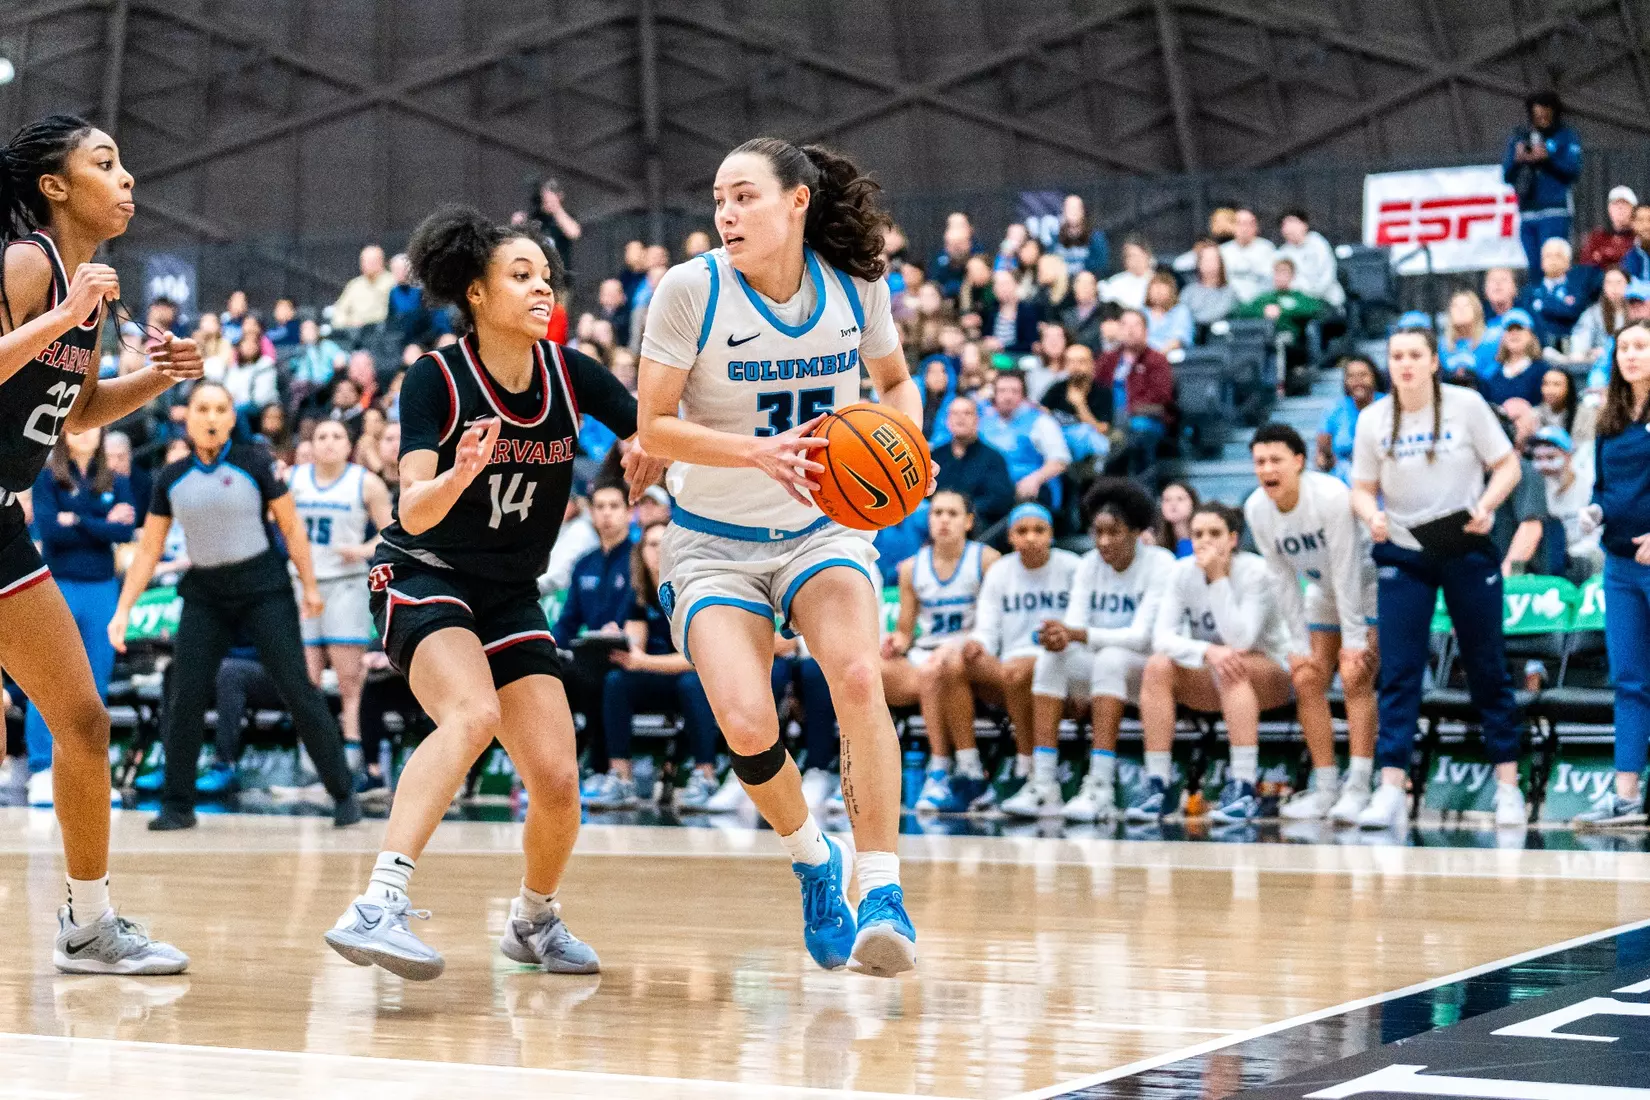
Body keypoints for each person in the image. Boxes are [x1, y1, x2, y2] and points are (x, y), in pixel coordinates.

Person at [322, 206, 662, 981]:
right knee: (472, 713)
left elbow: (654, 430)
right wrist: (460, 474)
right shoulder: (435, 378)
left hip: (509, 593)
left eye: (546, 277)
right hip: (421, 571)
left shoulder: (571, 373)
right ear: (475, 293)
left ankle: (534, 920)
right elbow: (413, 508)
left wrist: (647, 446)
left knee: (557, 778)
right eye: (521, 276)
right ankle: (378, 901)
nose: (542, 289)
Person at [634, 137, 924, 976]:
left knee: (860, 676)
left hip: (821, 531)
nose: (726, 213)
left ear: (797, 201)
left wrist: (909, 437)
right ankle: (811, 858)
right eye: (718, 199)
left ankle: (883, 891)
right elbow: (654, 427)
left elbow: (896, 382)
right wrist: (753, 452)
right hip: (713, 540)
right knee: (747, 720)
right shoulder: (689, 291)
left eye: (745, 196)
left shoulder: (854, 287)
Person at [0, 113, 201, 974]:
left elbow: (77, 418)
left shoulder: (86, 287)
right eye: (105, 163)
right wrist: (68, 313)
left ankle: (88, 924)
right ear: (55, 186)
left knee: (82, 720)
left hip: (4, 521)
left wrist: (156, 378)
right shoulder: (30, 264)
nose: (126, 178)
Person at [109, 381, 358, 830]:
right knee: (184, 693)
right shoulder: (171, 477)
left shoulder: (256, 462)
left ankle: (343, 793)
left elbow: (293, 528)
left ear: (229, 418)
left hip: (264, 589)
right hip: (205, 593)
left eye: (219, 409)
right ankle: (178, 805)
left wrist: (311, 586)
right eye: (202, 408)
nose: (209, 417)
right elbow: (148, 550)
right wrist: (124, 609)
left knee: (298, 688)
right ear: (188, 417)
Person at [1349, 325, 1526, 830]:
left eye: (1414, 354)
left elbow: (1508, 465)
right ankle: (1389, 789)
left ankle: (1509, 785)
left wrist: (1487, 506)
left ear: (1432, 361)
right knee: (1400, 670)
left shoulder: (1467, 405)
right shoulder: (1371, 420)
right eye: (1396, 355)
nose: (1404, 363)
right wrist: (1371, 515)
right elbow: (1360, 489)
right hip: (1404, 551)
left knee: (1487, 665)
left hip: (1465, 544)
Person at [1010, 479, 1173, 821]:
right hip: (1102, 669)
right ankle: (1042, 782)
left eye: (1114, 532)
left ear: (1136, 531)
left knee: (1110, 660)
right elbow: (1074, 627)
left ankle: (1100, 786)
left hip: (1148, 672)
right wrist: (1057, 637)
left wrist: (1078, 634)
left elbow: (1144, 637)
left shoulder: (1161, 564)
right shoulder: (1088, 565)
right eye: (1097, 532)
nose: (1103, 542)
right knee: (1052, 658)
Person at [1128, 502, 1293, 824]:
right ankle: (1157, 784)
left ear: (1233, 539)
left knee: (1234, 661)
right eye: (1198, 534)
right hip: (1217, 672)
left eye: (1215, 533)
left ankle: (1244, 786)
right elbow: (1161, 637)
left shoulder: (1255, 572)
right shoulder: (1182, 572)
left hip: (1270, 674)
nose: (1205, 541)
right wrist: (1205, 651)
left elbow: (1241, 639)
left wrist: (1217, 578)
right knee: (1158, 666)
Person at [1245, 424, 1379, 823]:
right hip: (1321, 589)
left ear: (1299, 462)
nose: (1267, 469)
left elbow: (1347, 568)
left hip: (1368, 583)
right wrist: (1297, 647)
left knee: (1356, 675)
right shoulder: (1256, 508)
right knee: (1305, 679)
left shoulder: (1331, 496)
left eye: (1276, 460)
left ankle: (1359, 787)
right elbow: (1282, 579)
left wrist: (1353, 640)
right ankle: (1325, 788)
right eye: (1259, 462)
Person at [22, 426, 135, 807]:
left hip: (103, 588)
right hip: (57, 588)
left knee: (95, 683)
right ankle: (41, 769)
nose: (86, 433)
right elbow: (52, 530)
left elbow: (126, 529)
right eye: (77, 427)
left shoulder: (116, 479)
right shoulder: (45, 475)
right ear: (64, 433)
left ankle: (91, 771)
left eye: (93, 427)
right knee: (47, 681)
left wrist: (80, 520)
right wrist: (100, 521)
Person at [1572, 320, 1650, 825]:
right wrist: (1594, 512)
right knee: (1629, 681)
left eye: (1642, 346)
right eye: (1624, 347)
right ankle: (1626, 797)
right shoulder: (1610, 418)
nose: (1632, 354)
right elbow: (1603, 488)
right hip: (1620, 567)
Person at [882, 490, 997, 814]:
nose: (943, 520)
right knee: (868, 669)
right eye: (937, 513)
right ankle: (857, 769)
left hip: (973, 653)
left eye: (952, 513)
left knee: (938, 666)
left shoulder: (987, 559)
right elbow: (906, 630)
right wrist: (897, 642)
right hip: (929, 653)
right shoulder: (910, 568)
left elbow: (994, 622)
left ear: (969, 521)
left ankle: (941, 769)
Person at [289, 418, 394, 772]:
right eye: (321, 435)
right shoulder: (293, 480)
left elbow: (393, 534)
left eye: (336, 436)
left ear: (349, 446)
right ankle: (310, 762)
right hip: (304, 586)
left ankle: (350, 762)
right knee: (307, 681)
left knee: (351, 681)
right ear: (311, 445)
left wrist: (363, 550)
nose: (329, 442)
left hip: (347, 584)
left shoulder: (366, 483)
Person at [961, 503, 1081, 807]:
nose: (1030, 537)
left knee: (1017, 673)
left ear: (1051, 535)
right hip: (1012, 660)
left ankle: (1027, 764)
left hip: (1064, 656)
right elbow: (987, 627)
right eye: (1022, 531)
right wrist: (977, 642)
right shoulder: (1001, 571)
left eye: (1039, 530)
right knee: (950, 665)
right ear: (1011, 537)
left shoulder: (1072, 566)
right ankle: (962, 768)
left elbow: (1081, 623)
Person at [601, 519, 721, 811]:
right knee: (616, 682)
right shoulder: (639, 593)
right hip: (657, 676)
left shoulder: (693, 589)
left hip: (695, 676)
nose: (659, 551)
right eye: (652, 545)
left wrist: (643, 661)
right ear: (641, 551)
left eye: (665, 543)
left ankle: (705, 776)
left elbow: (698, 660)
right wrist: (616, 640)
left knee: (692, 684)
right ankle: (621, 777)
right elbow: (634, 648)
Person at [552, 484, 635, 795]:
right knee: (546, 676)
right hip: (585, 655)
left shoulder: (638, 558)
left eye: (614, 506)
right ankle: (553, 769)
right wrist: (548, 649)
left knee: (604, 682)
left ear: (629, 512)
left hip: (623, 657)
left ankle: (599, 768)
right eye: (599, 506)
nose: (606, 513)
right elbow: (568, 621)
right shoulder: (584, 562)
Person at [1502, 90, 1583, 275]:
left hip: (1555, 210)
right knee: (1534, 267)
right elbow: (1506, 175)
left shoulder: (1565, 136)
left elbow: (1573, 170)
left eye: (1546, 115)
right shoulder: (1520, 137)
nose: (1541, 119)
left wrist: (1547, 159)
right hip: (1527, 212)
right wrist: (1518, 159)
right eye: (1537, 115)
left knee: (1556, 263)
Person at [1095, 310, 1173, 478]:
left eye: (1136, 325)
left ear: (1146, 331)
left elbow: (1162, 395)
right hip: (1109, 420)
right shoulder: (1107, 360)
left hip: (1143, 418)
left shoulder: (1157, 360)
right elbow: (1095, 390)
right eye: (1125, 325)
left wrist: (1130, 410)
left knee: (1137, 433)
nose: (1130, 330)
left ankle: (1140, 489)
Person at [976, 367, 1070, 507]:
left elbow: (1060, 461)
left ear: (1024, 396)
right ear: (994, 395)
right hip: (991, 490)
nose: (1008, 397)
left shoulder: (1040, 421)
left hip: (1029, 491)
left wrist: (1035, 479)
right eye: (1002, 391)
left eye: (1015, 391)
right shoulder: (983, 422)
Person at [1528, 425, 1601, 583]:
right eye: (1538, 459)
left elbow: (1596, 534)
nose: (1544, 466)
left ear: (1568, 456)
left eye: (1551, 457)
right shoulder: (1535, 488)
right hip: (1547, 560)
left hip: (1584, 557)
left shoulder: (1588, 485)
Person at [932, 396, 1014, 534]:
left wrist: (961, 511)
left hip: (976, 524)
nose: (960, 418)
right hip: (936, 520)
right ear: (947, 420)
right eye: (955, 413)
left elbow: (1000, 500)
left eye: (967, 413)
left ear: (977, 419)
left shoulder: (994, 458)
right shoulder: (935, 456)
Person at [1316, 355, 1384, 484]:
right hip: (1343, 483)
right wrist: (1326, 460)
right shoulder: (1334, 410)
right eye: (1351, 376)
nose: (1357, 381)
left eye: (1363, 375)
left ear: (1374, 377)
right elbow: (1321, 457)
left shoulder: (1388, 405)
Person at [1517, 237, 1588, 348]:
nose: (1553, 260)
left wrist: (1542, 304)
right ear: (1541, 261)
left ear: (1568, 262)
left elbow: (1571, 312)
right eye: (1548, 256)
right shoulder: (1529, 291)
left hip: (1568, 348)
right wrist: (1558, 307)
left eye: (1558, 256)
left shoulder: (1577, 289)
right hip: (1536, 349)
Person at [1275, 209, 1344, 308]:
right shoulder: (1282, 253)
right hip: (1299, 303)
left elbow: (1327, 274)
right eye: (1284, 225)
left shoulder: (1317, 243)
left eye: (1292, 222)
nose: (1288, 228)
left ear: (1304, 224)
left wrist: (1312, 294)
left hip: (1327, 300)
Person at [330, 244, 395, 339]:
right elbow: (339, 311)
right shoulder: (354, 285)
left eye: (371, 261)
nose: (366, 264)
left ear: (381, 261)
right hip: (355, 334)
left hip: (382, 334)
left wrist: (368, 323)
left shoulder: (392, 282)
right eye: (364, 261)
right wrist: (348, 322)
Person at [1219, 208, 1277, 305]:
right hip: (1229, 304)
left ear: (1256, 227)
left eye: (1248, 224)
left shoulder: (1267, 249)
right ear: (1233, 227)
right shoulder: (1223, 251)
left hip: (1260, 303)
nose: (1244, 228)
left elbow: (1272, 281)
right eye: (1239, 223)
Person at [981, 267, 1041, 354]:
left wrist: (1002, 347)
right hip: (992, 357)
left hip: (1018, 358)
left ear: (1016, 285)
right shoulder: (989, 310)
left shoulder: (1027, 311)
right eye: (997, 285)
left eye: (1005, 284)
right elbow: (984, 336)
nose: (1001, 288)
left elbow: (1030, 345)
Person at [1581, 186, 1638, 270]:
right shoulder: (1597, 236)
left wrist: (1605, 254)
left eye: (1625, 204)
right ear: (1609, 209)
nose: (1620, 208)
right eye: (1615, 204)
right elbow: (1586, 265)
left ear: (1634, 209)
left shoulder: (1639, 236)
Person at [1182, 242, 1236, 330]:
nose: (1210, 264)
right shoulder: (1188, 291)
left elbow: (1218, 314)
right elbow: (1181, 316)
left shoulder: (1229, 292)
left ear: (1221, 263)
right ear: (1199, 263)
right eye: (1206, 260)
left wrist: (1195, 321)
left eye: (1214, 260)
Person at [1052, 194, 1109, 276]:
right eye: (1069, 208)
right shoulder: (1055, 237)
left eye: (1076, 208)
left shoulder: (1096, 237)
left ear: (1083, 211)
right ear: (1063, 211)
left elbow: (1101, 265)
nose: (1073, 212)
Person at [1441, 290, 1487, 383]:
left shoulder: (1490, 340)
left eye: (1466, 306)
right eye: (1455, 306)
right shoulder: (1443, 344)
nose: (1460, 310)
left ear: (1476, 310)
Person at [1143, 271, 1193, 353]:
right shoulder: (1141, 312)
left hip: (1171, 355)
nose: (1158, 292)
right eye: (1155, 288)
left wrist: (1158, 356)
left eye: (1162, 288)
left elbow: (1179, 339)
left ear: (1171, 292)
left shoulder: (1181, 311)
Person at [1100, 237, 1154, 311]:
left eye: (1138, 255)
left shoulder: (1157, 281)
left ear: (1147, 256)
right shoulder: (1115, 282)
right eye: (1130, 256)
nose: (1135, 260)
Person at [1154, 479, 1198, 558]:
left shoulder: (1202, 542)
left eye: (1180, 499)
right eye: (1167, 500)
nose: (1173, 504)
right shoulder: (1155, 545)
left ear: (1193, 504)